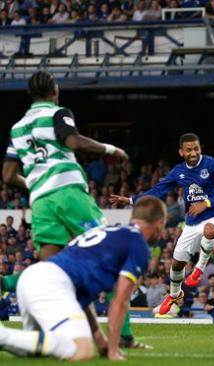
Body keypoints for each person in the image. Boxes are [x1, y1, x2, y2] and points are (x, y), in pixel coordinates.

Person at [1, 71, 145, 349]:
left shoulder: (17, 128)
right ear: (54, 90)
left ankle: (6, 283)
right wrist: (111, 149)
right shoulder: (57, 113)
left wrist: (35, 184)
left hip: (41, 202)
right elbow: (74, 141)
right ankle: (124, 336)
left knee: (49, 271)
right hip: (68, 192)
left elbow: (8, 175)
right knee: (113, 252)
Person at [0, 196, 166, 361]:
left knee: (39, 351)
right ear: (159, 222)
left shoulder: (107, 232)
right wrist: (113, 351)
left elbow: (82, 299)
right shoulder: (138, 244)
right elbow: (119, 301)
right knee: (82, 350)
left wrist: (101, 341)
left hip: (34, 277)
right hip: (53, 284)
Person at [110, 133, 214, 315]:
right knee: (176, 265)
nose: (193, 152)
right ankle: (175, 295)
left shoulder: (212, 164)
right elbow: (158, 191)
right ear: (181, 152)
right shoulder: (178, 171)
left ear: (200, 148)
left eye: (196, 148)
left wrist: (206, 203)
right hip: (191, 223)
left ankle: (199, 267)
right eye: (189, 149)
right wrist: (130, 200)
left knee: (209, 231)